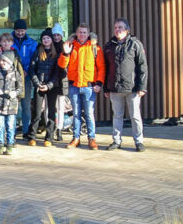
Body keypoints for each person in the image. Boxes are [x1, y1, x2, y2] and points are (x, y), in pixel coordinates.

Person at [58, 23, 105, 150]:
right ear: (76, 33)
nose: (82, 34)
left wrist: (99, 83)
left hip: (89, 87)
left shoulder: (95, 48)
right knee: (76, 114)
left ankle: (91, 138)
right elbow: (62, 65)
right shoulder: (71, 46)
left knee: (89, 113)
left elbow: (101, 67)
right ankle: (76, 138)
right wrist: (66, 53)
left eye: (85, 32)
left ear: (88, 34)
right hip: (74, 85)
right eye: (80, 32)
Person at [104, 18, 148, 152]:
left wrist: (142, 87)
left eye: (121, 27)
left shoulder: (135, 44)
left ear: (127, 30)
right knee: (117, 116)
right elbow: (105, 67)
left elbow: (142, 66)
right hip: (115, 88)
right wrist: (106, 87)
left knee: (135, 116)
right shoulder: (109, 45)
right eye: (116, 27)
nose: (118, 30)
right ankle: (116, 140)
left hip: (132, 88)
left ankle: (139, 141)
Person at [26, 28, 60, 147]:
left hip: (52, 87)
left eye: (48, 38)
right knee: (36, 112)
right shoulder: (37, 52)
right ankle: (32, 136)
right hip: (39, 85)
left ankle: (49, 138)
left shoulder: (56, 54)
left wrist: (49, 85)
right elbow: (32, 70)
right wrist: (37, 84)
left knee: (51, 112)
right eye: (44, 38)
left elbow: (57, 73)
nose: (46, 40)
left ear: (51, 40)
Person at [0, 50, 24, 155]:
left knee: (11, 126)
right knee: (0, 125)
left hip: (11, 105)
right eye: (1, 60)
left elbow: (20, 88)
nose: (2, 62)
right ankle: (0, 145)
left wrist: (15, 93)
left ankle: (10, 145)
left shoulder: (16, 74)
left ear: (10, 62)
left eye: (4, 61)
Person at [12, 19, 38, 139]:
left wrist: (26, 70)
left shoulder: (32, 43)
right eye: (18, 30)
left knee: (26, 104)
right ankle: (11, 130)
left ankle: (26, 130)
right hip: (11, 77)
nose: (20, 33)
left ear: (25, 30)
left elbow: (34, 58)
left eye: (22, 31)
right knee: (11, 104)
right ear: (15, 30)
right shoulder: (9, 41)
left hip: (26, 78)